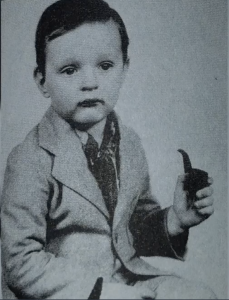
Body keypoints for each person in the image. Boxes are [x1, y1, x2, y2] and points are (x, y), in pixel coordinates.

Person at [1, 0, 216, 299]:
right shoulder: (29, 160)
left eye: (105, 66)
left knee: (197, 296)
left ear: (125, 68)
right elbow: (19, 263)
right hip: (70, 292)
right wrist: (100, 292)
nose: (90, 82)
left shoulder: (128, 143)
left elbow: (132, 231)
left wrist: (175, 220)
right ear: (42, 81)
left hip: (127, 278)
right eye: (69, 70)